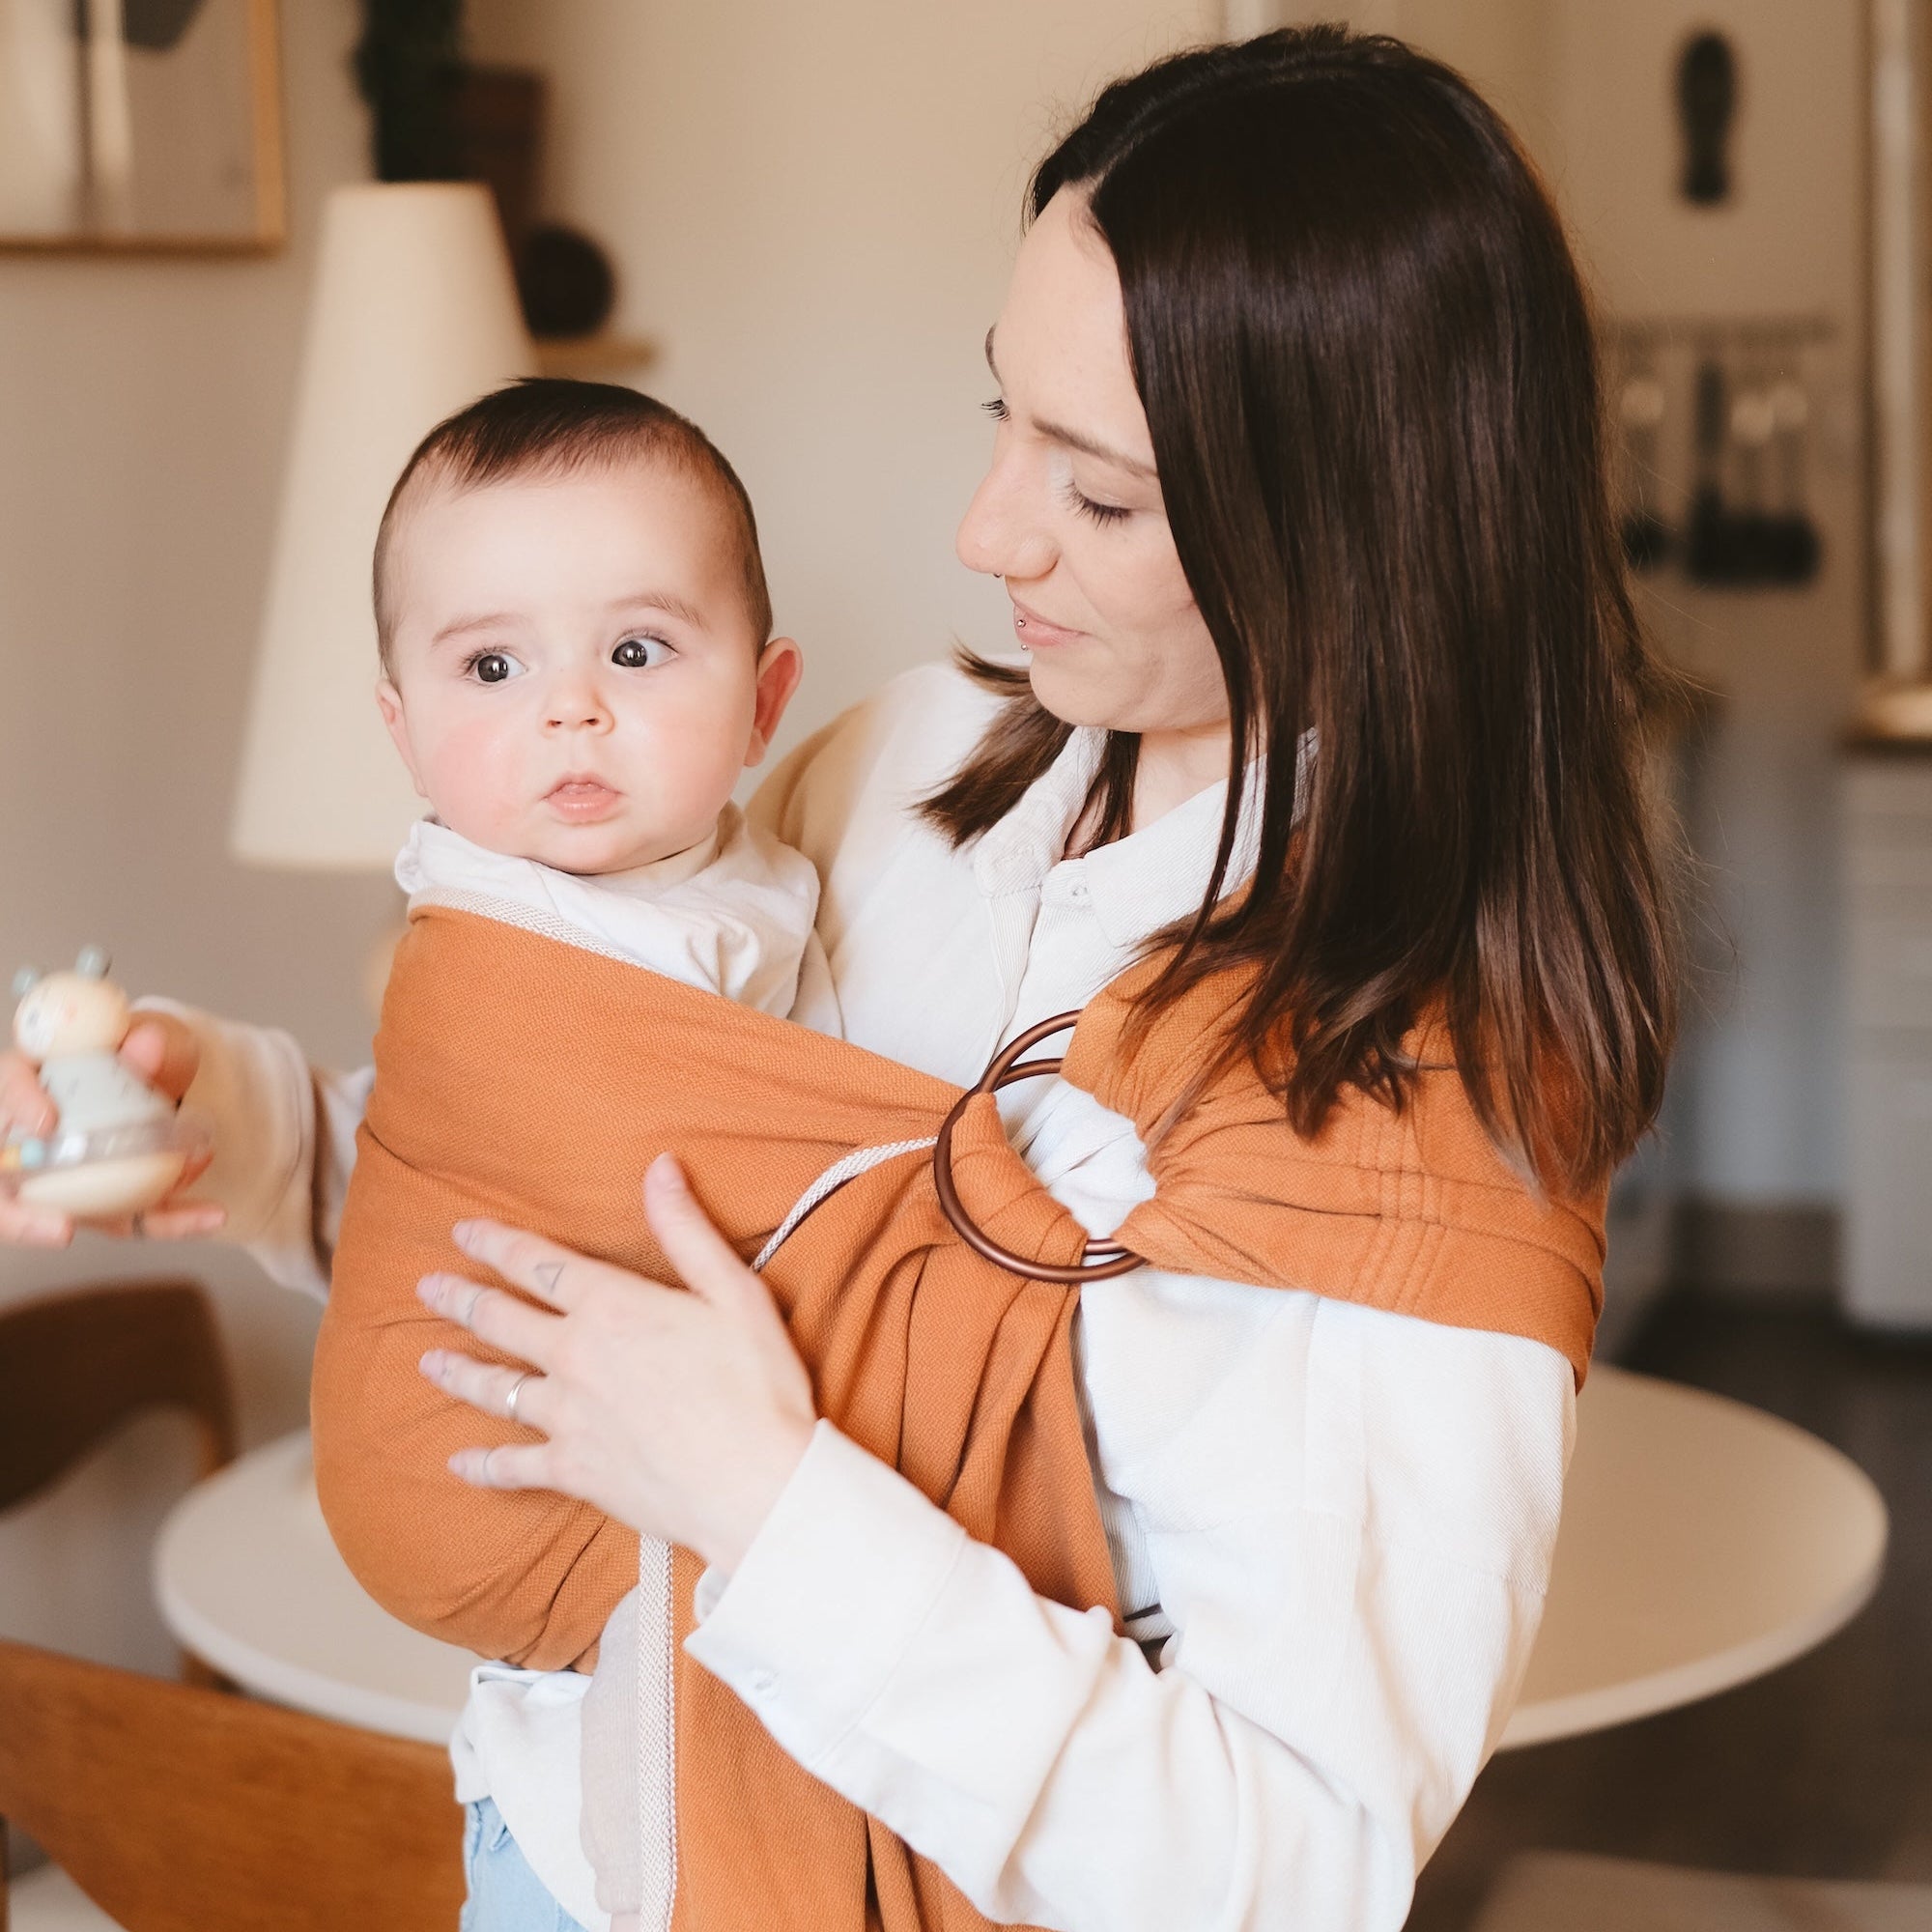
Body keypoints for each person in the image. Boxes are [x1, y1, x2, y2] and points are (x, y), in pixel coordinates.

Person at [0, 25, 1679, 1932]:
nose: (986, 531)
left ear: (1354, 522)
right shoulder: (899, 774)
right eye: (1002, 414)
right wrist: (249, 1132)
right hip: (564, 1843)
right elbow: (608, 1219)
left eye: (1098, 492)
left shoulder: (1414, 1107)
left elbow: (1283, 1871)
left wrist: (768, 1500)